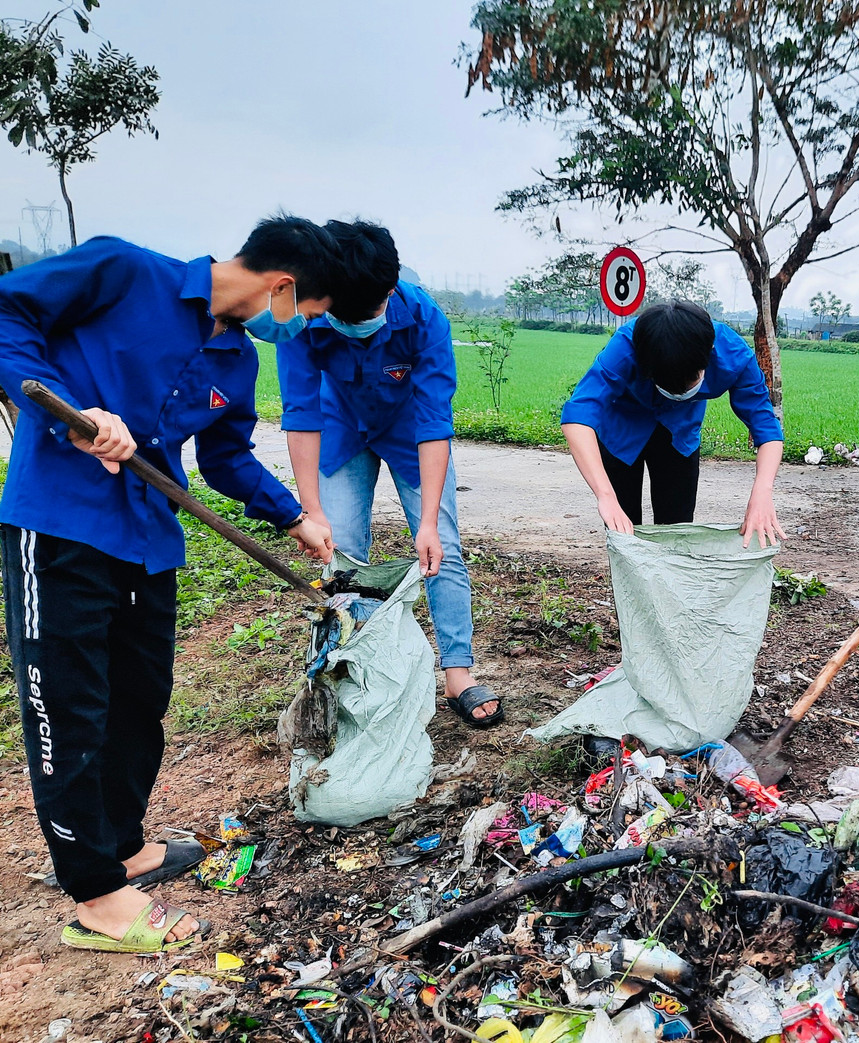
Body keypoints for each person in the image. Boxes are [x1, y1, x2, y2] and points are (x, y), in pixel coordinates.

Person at [0, 217, 336, 952]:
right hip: (61, 522)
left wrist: (295, 518)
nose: (301, 327)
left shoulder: (235, 360)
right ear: (281, 287)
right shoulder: (122, 272)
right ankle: (95, 895)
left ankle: (120, 844)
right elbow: (7, 309)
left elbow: (226, 457)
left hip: (148, 539)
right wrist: (73, 412)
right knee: (70, 704)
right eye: (306, 313)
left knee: (138, 699)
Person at [277, 220, 501, 728]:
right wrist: (309, 510)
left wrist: (424, 522)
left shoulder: (422, 315)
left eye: (377, 310)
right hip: (339, 428)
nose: (369, 319)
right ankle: (354, 669)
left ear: (391, 289)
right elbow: (301, 413)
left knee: (441, 541)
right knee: (342, 552)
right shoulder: (302, 317)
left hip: (408, 430)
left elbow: (434, 421)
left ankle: (458, 673)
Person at [560, 301, 785, 547]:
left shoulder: (733, 355)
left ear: (708, 353)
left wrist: (762, 493)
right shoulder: (626, 346)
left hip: (680, 433)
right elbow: (577, 417)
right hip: (621, 429)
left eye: (690, 382)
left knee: (677, 531)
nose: (679, 392)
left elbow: (766, 427)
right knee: (622, 530)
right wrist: (605, 496)